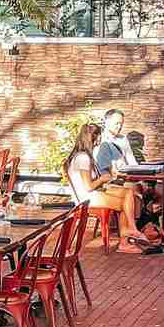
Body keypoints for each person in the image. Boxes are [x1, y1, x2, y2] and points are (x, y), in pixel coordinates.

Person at [64, 122, 158, 253]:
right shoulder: (83, 158)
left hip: (95, 193)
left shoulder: (84, 155)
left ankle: (130, 229)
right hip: (86, 198)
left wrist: (108, 179)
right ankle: (126, 240)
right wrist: (102, 179)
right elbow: (88, 186)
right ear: (94, 138)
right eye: (98, 137)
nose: (100, 141)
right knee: (125, 201)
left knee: (128, 192)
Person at [94, 108, 137, 174]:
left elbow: (131, 161)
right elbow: (97, 165)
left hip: (125, 176)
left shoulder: (123, 139)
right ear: (107, 122)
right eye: (117, 123)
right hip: (108, 178)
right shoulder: (98, 139)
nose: (119, 127)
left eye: (121, 124)